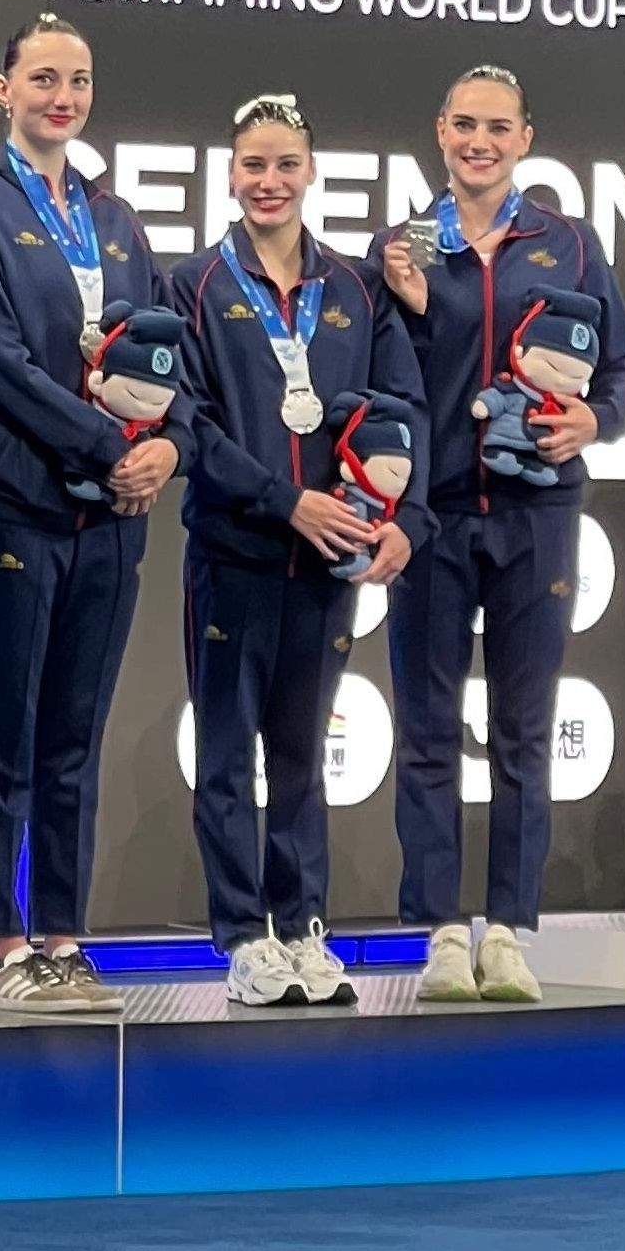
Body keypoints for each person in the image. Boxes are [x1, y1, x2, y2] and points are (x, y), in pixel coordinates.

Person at [373, 65, 625, 1003]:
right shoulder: (402, 247)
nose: (478, 141)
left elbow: (621, 371)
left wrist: (593, 423)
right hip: (435, 516)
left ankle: (511, 931)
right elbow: (380, 385)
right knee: (428, 729)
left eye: (497, 127)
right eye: (463, 125)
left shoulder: (567, 243)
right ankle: (443, 929)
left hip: (537, 518)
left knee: (524, 730)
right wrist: (402, 307)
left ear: (525, 137)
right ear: (438, 131)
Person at [0, 13, 188, 1014]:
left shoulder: (116, 217)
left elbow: (168, 357)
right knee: (3, 725)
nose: (61, 94)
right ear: (2, 89)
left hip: (110, 518)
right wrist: (106, 445)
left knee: (74, 733)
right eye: (41, 76)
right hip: (14, 500)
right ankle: (2, 944)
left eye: (77, 79)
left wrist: (164, 449)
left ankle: (62, 935)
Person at [163, 94, 429, 1007]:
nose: (267, 182)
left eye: (283, 165)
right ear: (228, 176)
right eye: (250, 165)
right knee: (229, 752)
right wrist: (286, 501)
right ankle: (241, 937)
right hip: (233, 554)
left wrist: (404, 518)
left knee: (303, 755)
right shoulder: (191, 284)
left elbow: (401, 411)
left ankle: (302, 924)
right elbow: (185, 423)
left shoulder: (356, 288)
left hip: (328, 565)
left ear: (310, 172)